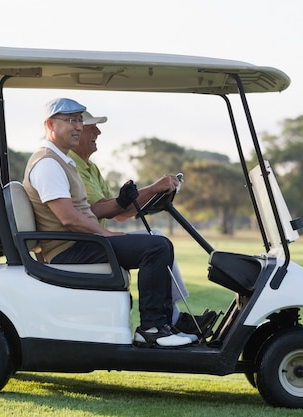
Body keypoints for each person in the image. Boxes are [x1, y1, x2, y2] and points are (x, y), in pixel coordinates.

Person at [23, 97, 191, 348]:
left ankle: (163, 325)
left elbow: (84, 212)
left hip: (81, 244)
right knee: (156, 247)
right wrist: (106, 235)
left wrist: (113, 220)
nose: (78, 126)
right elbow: (68, 218)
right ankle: (152, 328)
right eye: (70, 120)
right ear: (50, 125)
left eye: (79, 120)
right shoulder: (47, 163)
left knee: (157, 243)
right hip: (69, 250)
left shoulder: (63, 161)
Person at [68, 111, 217, 340]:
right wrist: (152, 189)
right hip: (87, 241)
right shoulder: (74, 167)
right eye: (92, 128)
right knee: (156, 246)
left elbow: (121, 212)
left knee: (157, 236)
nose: (98, 132)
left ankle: (173, 319)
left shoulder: (91, 168)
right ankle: (155, 327)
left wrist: (150, 193)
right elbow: (98, 209)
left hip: (95, 238)